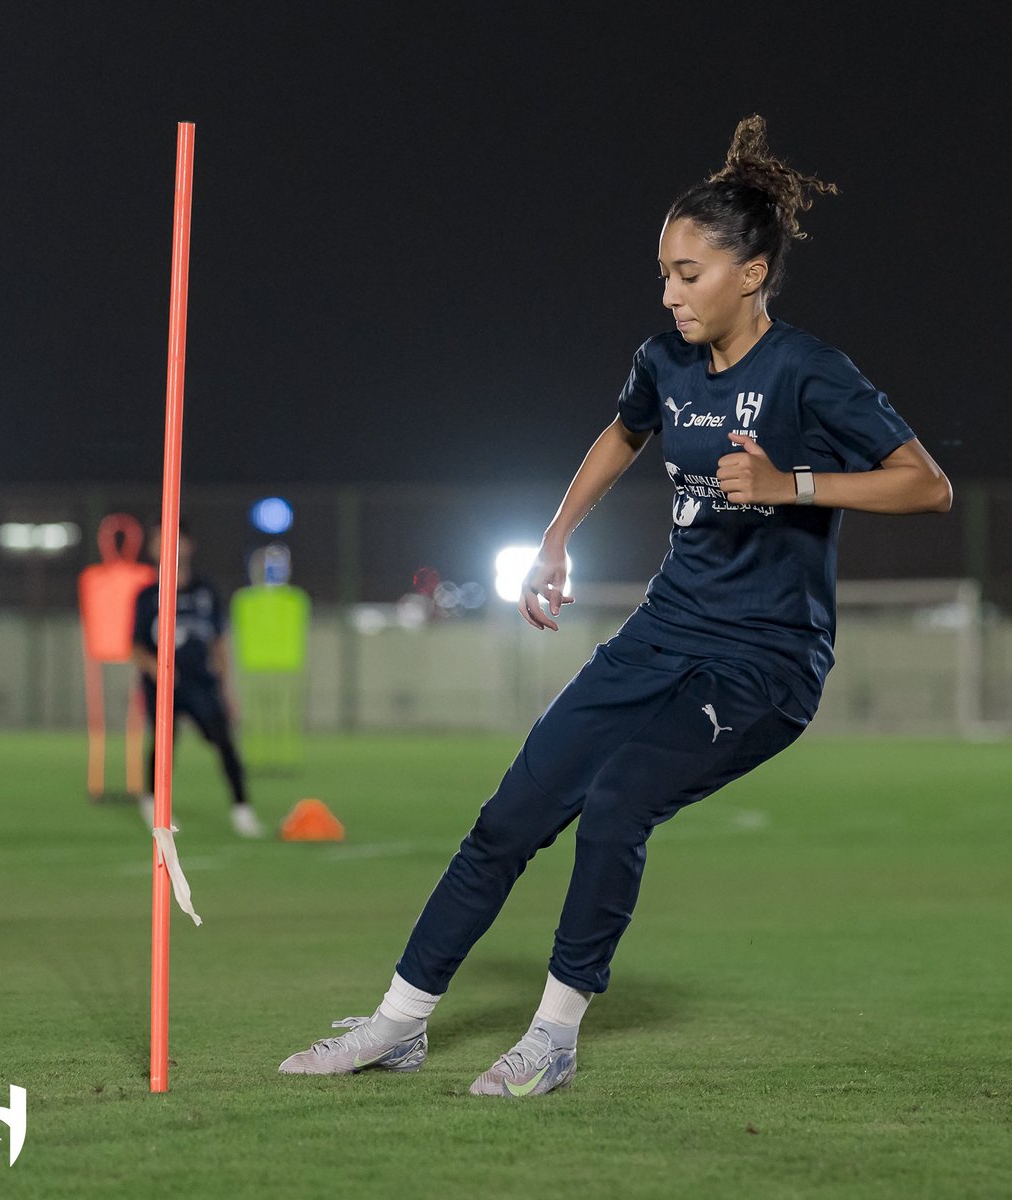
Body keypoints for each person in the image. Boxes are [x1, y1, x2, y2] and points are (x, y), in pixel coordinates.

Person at [278, 115, 952, 1096]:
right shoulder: (664, 362)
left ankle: (552, 1036)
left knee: (619, 800)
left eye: (690, 272)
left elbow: (926, 485)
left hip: (765, 663)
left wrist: (792, 487)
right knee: (508, 818)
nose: (671, 292)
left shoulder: (809, 372)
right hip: (662, 636)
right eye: (665, 272)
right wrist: (556, 541)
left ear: (752, 272)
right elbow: (621, 433)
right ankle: (397, 1022)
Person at [132, 519, 264, 839]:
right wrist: (158, 670)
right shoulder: (148, 595)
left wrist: (226, 687)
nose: (167, 547)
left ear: (188, 544)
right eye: (159, 540)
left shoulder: (206, 590)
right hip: (163, 686)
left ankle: (242, 809)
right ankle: (153, 806)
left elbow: (219, 641)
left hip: (201, 683)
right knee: (165, 743)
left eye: (174, 539)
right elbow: (136, 645)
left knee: (223, 740)